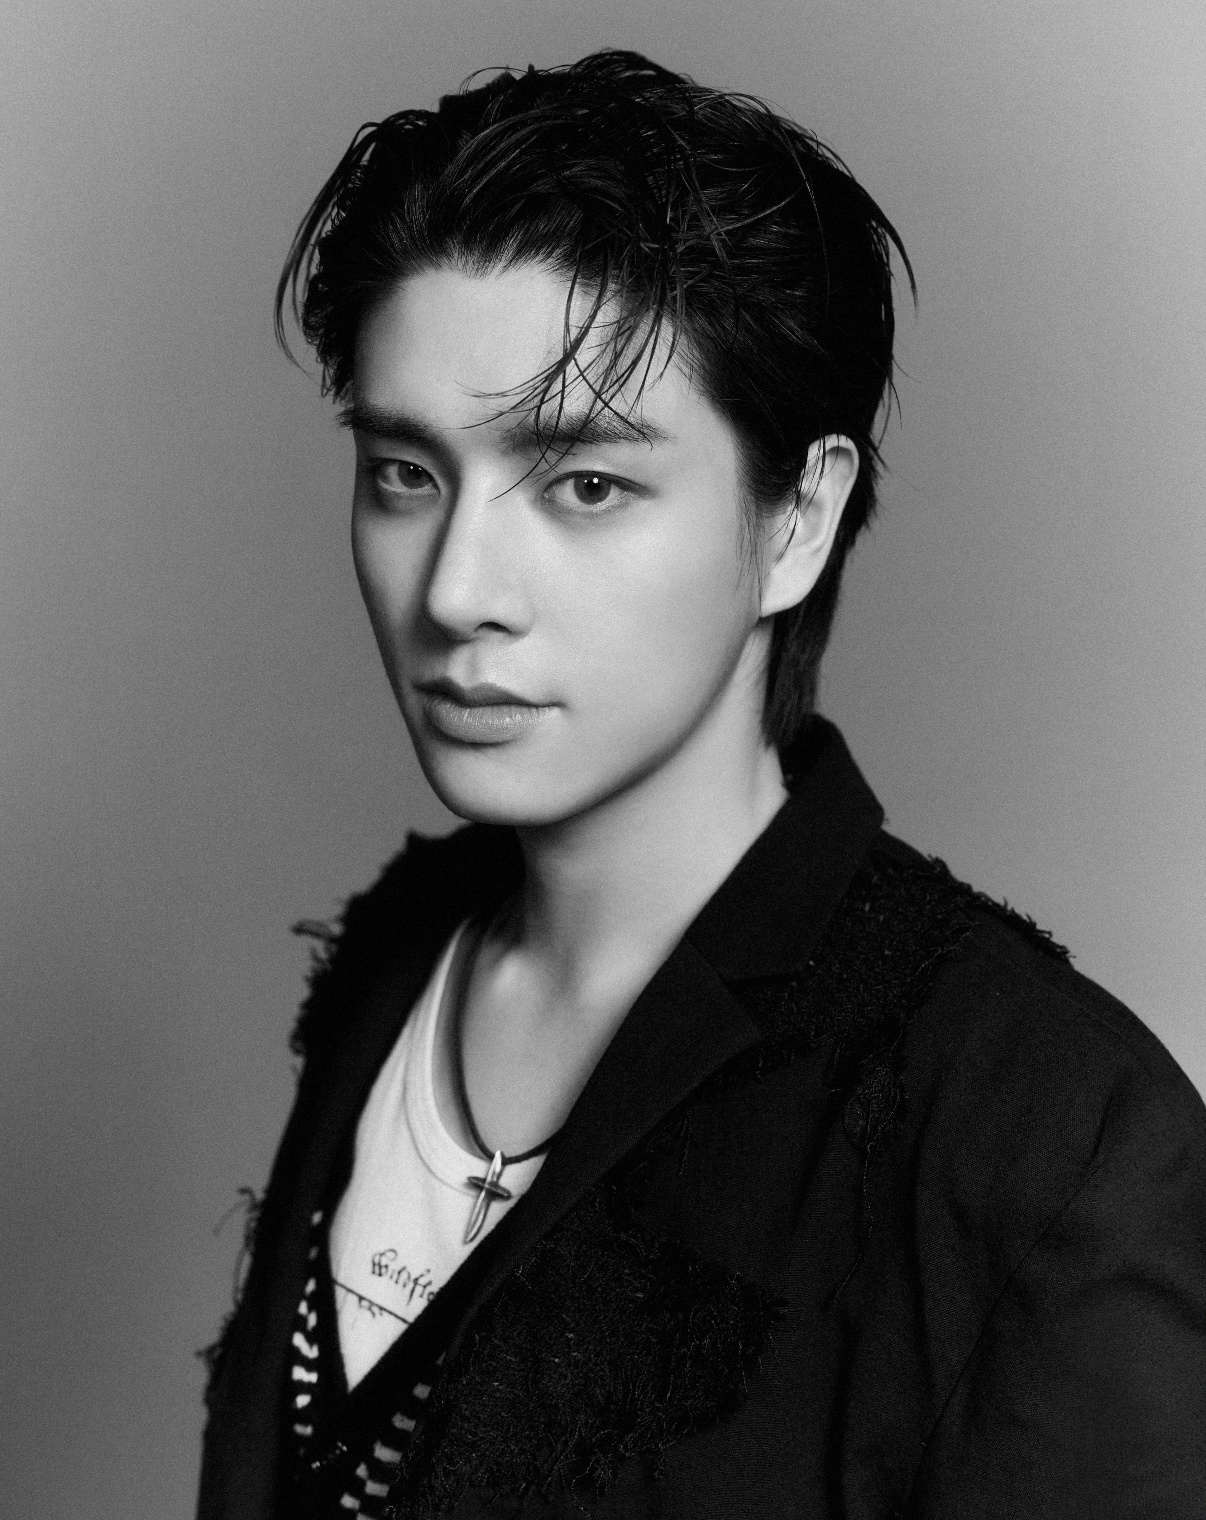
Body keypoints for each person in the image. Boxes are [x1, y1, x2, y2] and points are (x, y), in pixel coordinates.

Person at [196, 50, 1206, 1520]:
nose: (456, 590)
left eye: (585, 485)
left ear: (797, 520)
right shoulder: (396, 955)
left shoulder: (1044, 1137)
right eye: (407, 472)